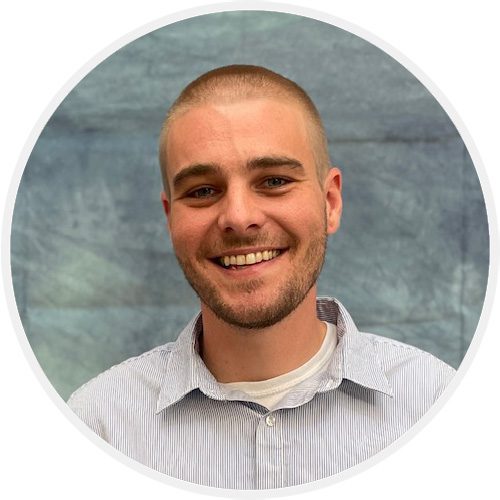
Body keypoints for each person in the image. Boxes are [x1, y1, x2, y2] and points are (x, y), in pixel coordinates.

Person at [68, 65, 455, 490]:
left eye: (273, 181)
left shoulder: (442, 407)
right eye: (201, 190)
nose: (238, 217)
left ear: (330, 203)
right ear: (169, 217)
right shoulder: (96, 426)